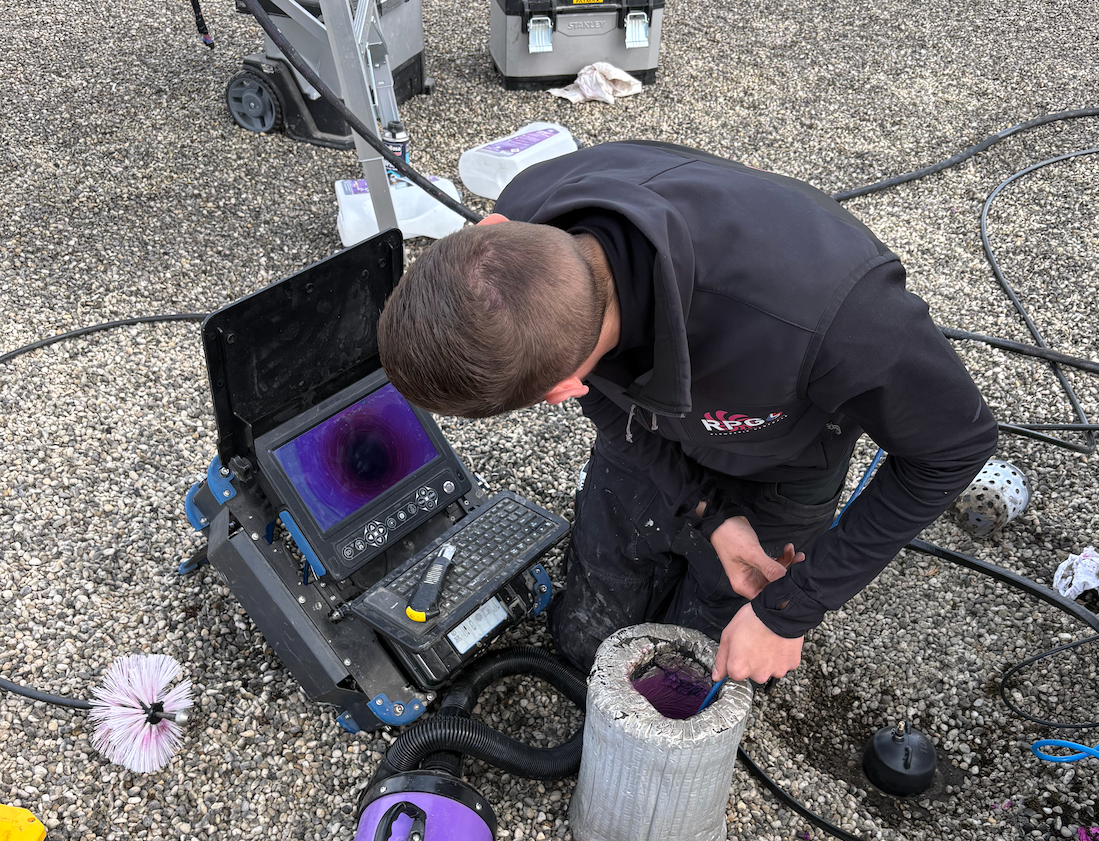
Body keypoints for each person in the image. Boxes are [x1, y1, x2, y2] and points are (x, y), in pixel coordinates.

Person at [377, 142, 997, 683]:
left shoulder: (836, 320)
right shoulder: (521, 234)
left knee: (695, 671)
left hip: (784, 460)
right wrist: (709, 513)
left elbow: (955, 448)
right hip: (644, 429)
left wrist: (790, 611)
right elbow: (604, 399)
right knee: (589, 630)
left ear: (561, 390)